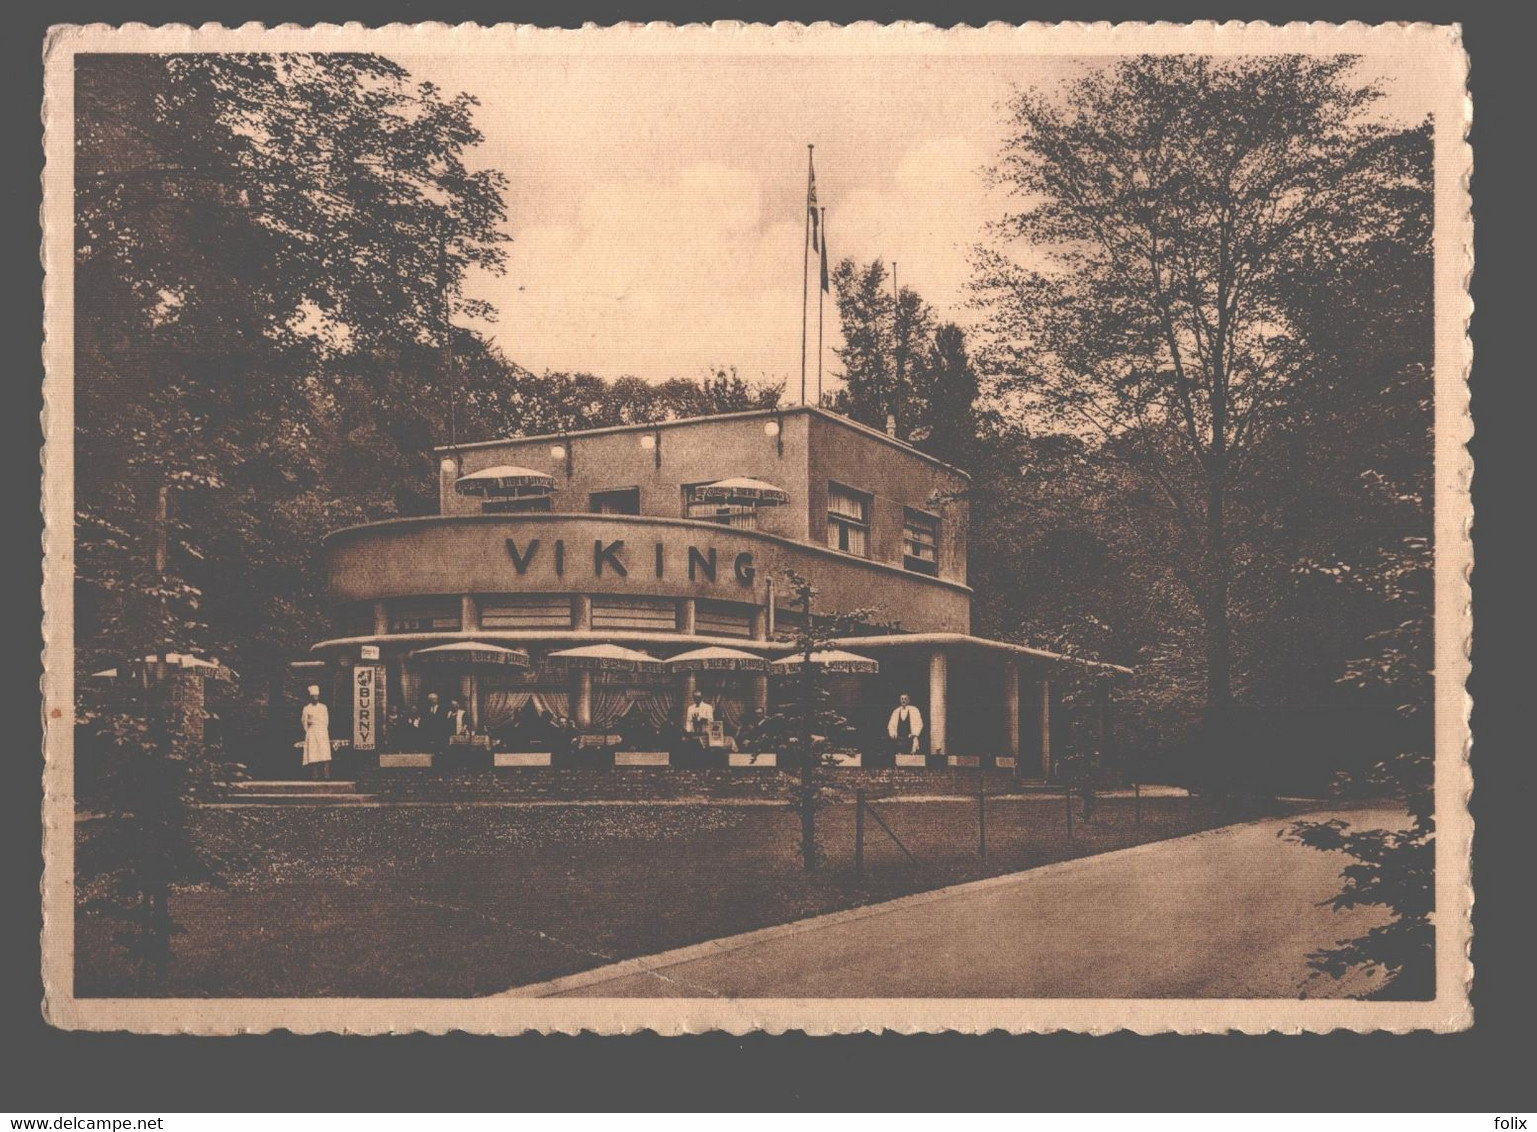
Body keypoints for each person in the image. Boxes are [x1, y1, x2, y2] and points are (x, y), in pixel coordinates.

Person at [301, 685, 332, 780]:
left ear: (319, 697)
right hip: (312, 731)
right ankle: (315, 775)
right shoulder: (306, 708)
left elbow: (326, 720)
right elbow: (303, 721)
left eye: (316, 696)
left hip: (322, 731)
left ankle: (326, 775)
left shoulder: (323, 707)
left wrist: (322, 729)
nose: (315, 698)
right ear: (310, 697)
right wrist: (309, 730)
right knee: (313, 752)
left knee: (324, 752)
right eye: (313, 696)